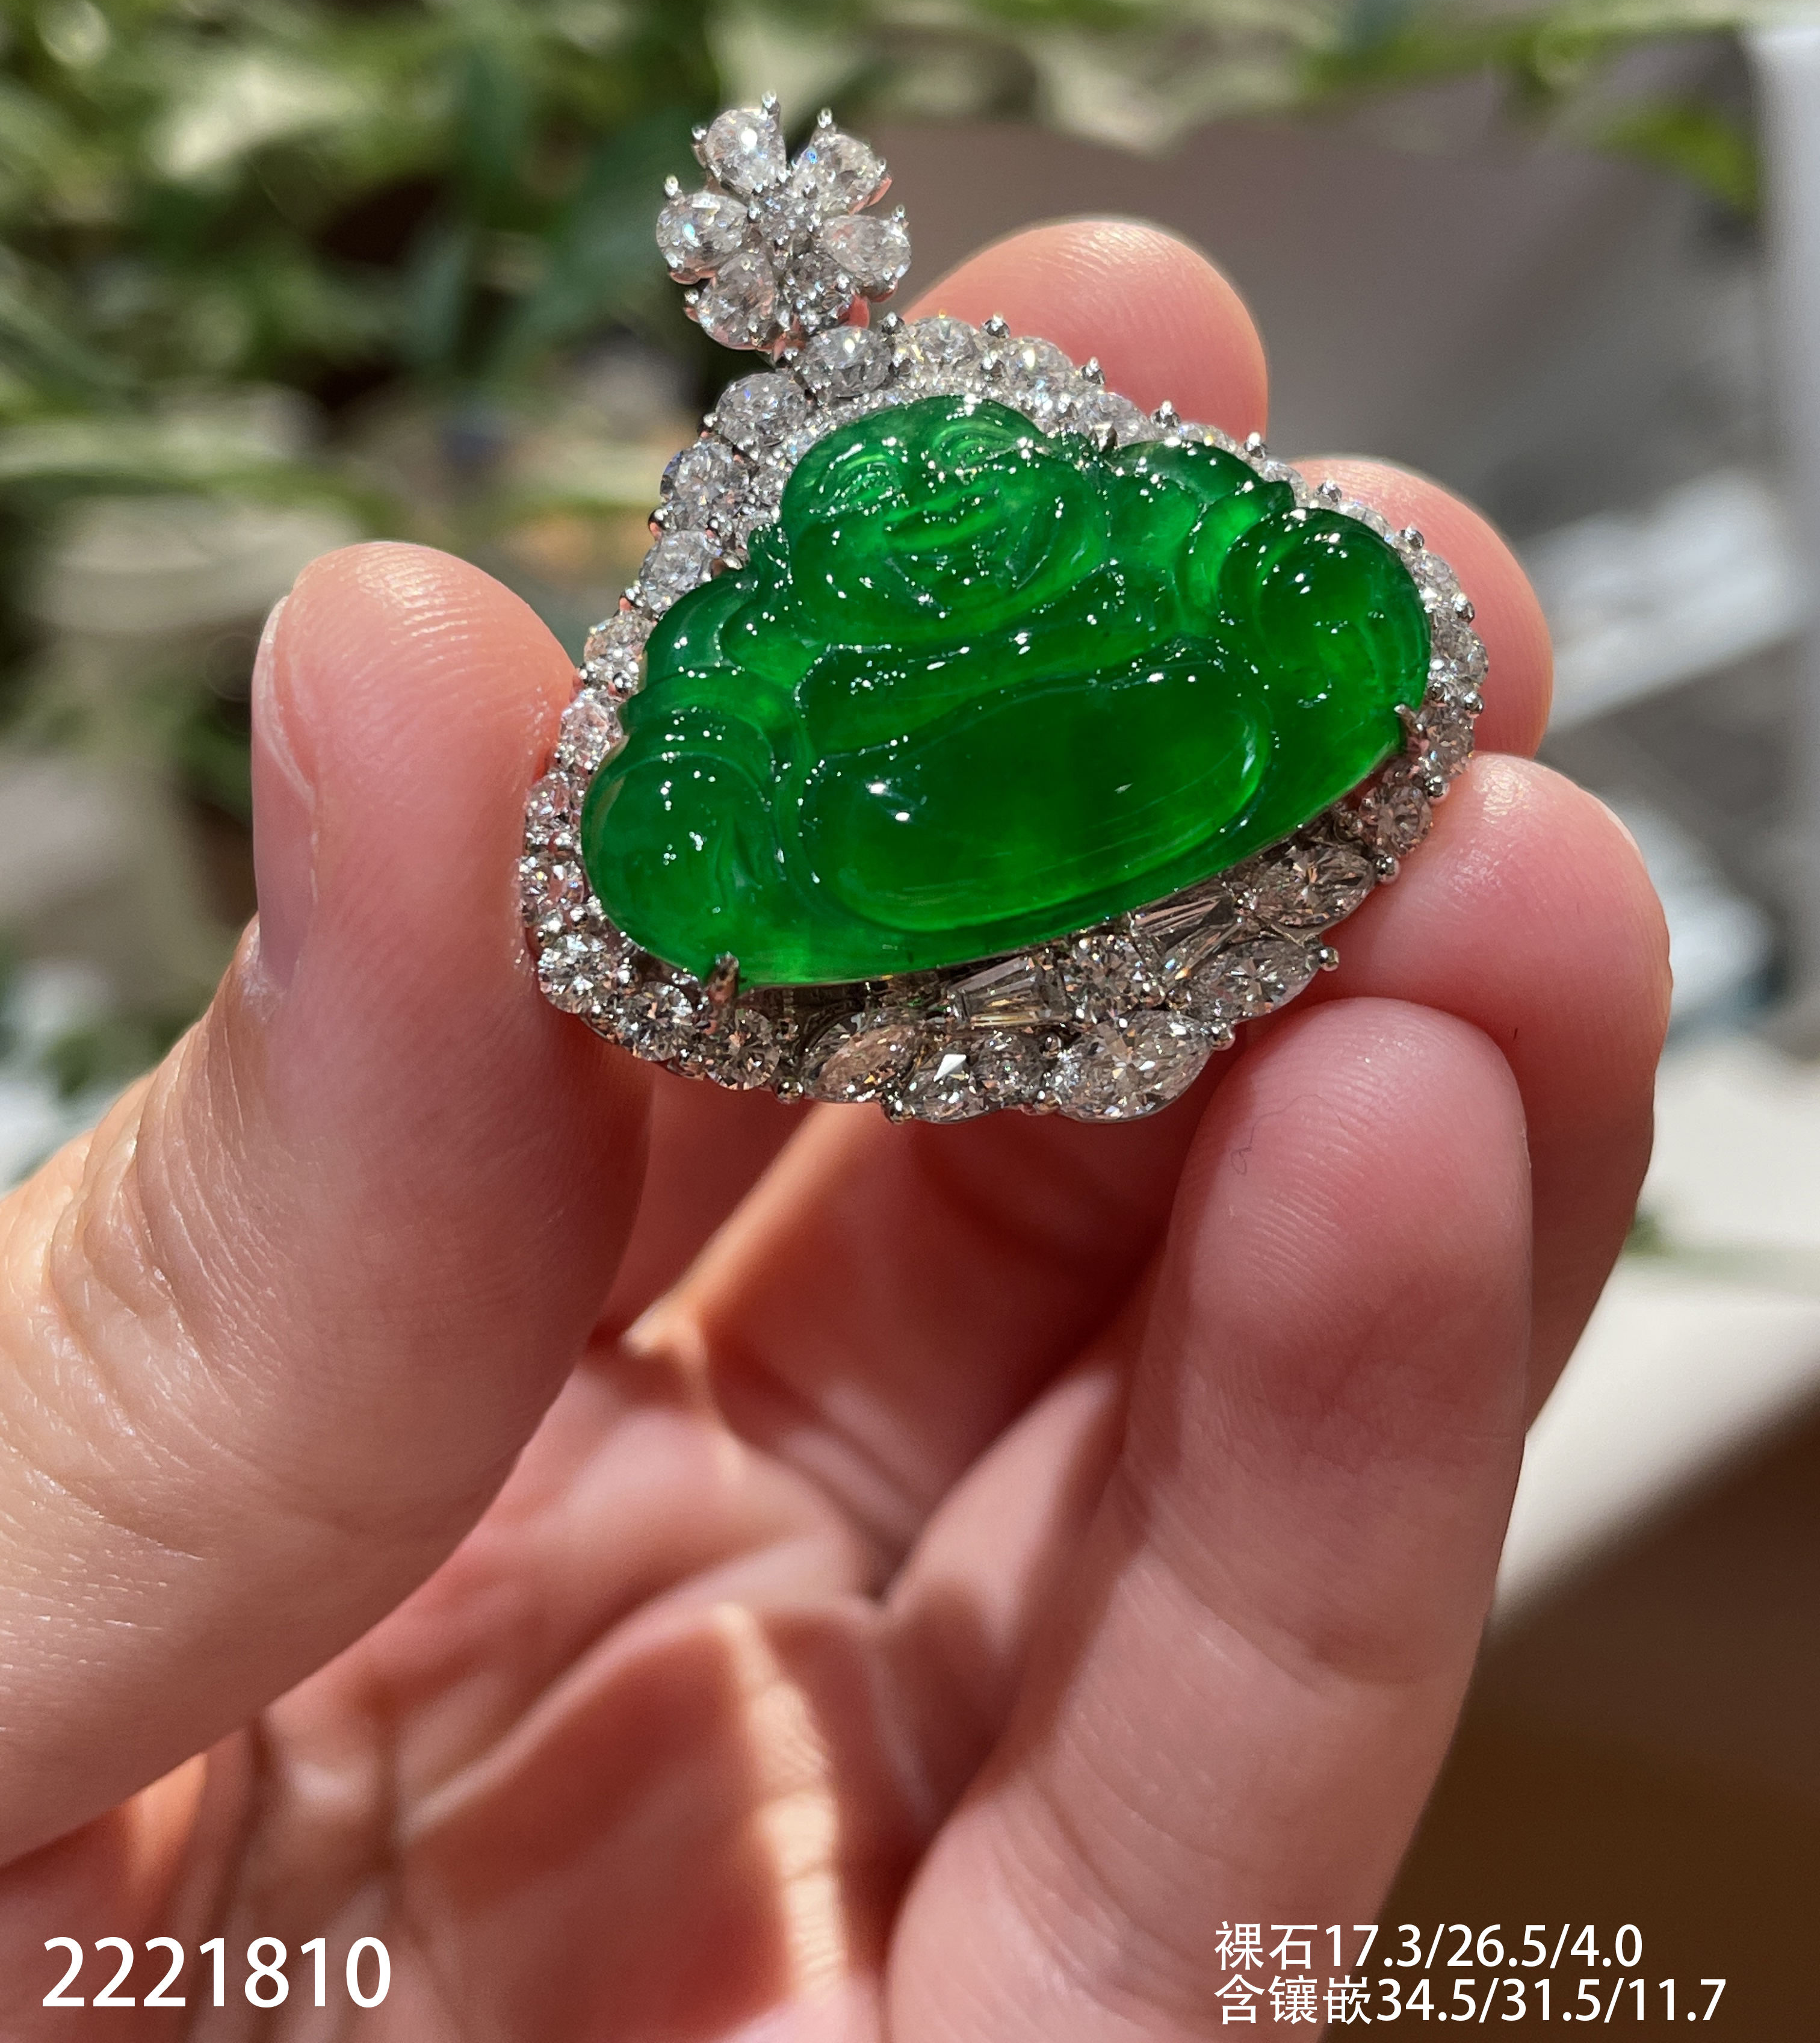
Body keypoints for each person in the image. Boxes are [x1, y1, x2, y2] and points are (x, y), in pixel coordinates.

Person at [0, 223, 1668, 2035]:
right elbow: (674, 814)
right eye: (886, 502)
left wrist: (1251, 598)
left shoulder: (1141, 532)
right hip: (899, 841)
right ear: (812, 524)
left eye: (964, 483)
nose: (934, 518)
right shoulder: (759, 645)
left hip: (1157, 744)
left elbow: (1300, 582)